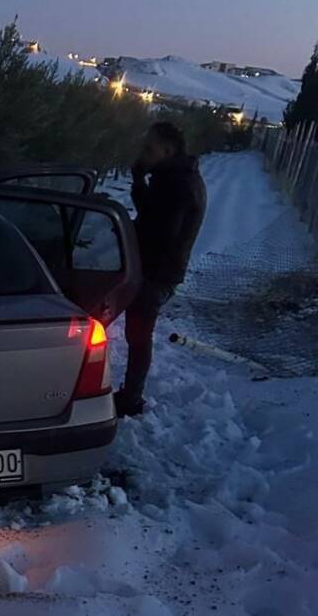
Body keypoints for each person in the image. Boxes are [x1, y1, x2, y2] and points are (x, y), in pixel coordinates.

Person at [115, 122, 207, 417]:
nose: (144, 152)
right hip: (155, 270)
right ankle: (130, 396)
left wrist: (127, 235)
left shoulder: (177, 184)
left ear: (167, 151)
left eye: (150, 148)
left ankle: (131, 399)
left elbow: (159, 231)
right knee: (136, 334)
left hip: (155, 274)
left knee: (138, 335)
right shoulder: (176, 177)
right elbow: (152, 216)